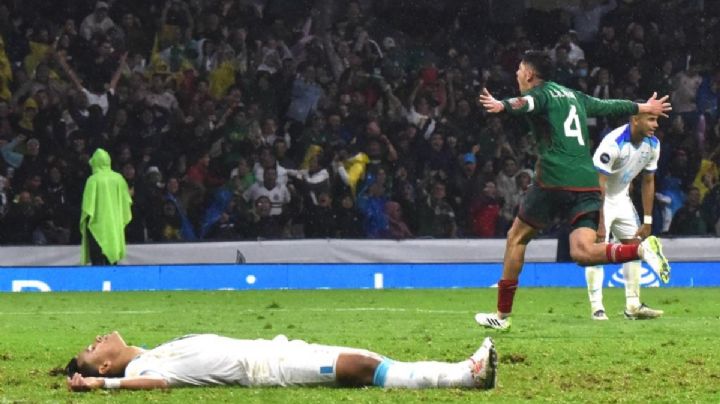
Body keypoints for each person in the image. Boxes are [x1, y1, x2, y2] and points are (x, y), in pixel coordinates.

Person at [474, 51, 671, 330]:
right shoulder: (574, 96)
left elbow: (526, 102)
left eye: (519, 69)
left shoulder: (541, 94)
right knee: (583, 252)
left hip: (554, 179)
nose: (517, 74)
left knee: (516, 237)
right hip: (587, 180)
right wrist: (641, 106)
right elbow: (607, 106)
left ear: (529, 74)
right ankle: (640, 250)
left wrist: (501, 105)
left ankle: (502, 315)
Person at [65, 331, 497, 391]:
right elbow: (159, 387)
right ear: (104, 366)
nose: (97, 339)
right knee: (361, 367)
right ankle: (464, 376)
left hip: (272, 349)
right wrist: (103, 387)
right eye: (92, 348)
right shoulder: (141, 370)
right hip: (266, 368)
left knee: (368, 359)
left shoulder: (152, 352)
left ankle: (464, 373)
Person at [585, 112, 665, 321]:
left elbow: (648, 181)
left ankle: (633, 305)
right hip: (597, 198)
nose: (655, 125)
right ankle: (597, 308)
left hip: (621, 198)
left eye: (656, 120)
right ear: (635, 120)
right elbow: (598, 185)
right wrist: (601, 222)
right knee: (597, 248)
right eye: (650, 119)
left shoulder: (653, 145)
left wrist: (648, 221)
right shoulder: (613, 143)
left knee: (634, 246)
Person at [80, 148, 132, 265]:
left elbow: (87, 207)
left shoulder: (92, 180)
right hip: (114, 225)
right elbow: (126, 203)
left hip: (95, 227)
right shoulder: (119, 179)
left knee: (97, 262)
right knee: (112, 262)